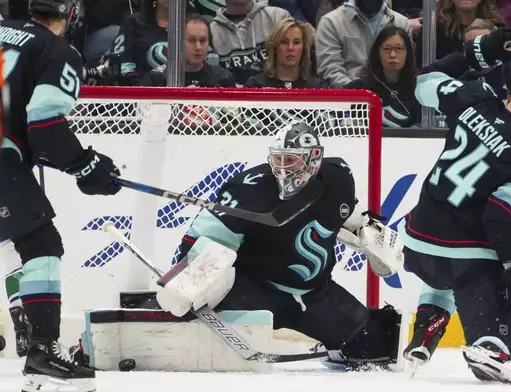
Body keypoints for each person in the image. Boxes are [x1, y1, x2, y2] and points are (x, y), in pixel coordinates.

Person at [157, 121, 404, 371]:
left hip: (315, 293)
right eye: (278, 159)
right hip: (254, 290)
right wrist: (188, 278)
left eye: (291, 160)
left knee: (372, 346)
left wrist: (366, 229)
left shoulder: (338, 175)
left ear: (313, 160)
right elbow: (200, 239)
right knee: (219, 360)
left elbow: (344, 210)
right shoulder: (249, 189)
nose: (283, 168)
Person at [399, 28, 511, 385]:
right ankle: (490, 345)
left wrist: (477, 53)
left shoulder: (473, 98)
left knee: (444, 268)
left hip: (417, 245)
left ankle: (428, 322)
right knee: (491, 333)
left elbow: (423, 81)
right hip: (466, 263)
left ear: (510, 89)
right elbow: (501, 219)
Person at [0, 1, 122, 391]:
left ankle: (32, 332)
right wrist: (87, 165)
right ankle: (42, 352)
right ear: (72, 14)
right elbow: (47, 125)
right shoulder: (58, 50)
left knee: (14, 236)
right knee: (41, 243)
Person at [344, 25, 420, 128]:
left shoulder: (419, 88)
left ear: (408, 52)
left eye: (398, 48)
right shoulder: (358, 88)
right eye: (387, 49)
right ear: (378, 52)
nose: (392, 54)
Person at [141, 14, 235, 87]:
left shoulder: (223, 79)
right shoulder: (156, 80)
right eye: (192, 40)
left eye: (202, 41)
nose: (198, 47)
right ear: (178, 42)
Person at [245, 17, 327, 88]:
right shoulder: (256, 85)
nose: (290, 48)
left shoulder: (318, 87)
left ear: (304, 48)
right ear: (275, 47)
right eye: (284, 42)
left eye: (296, 42)